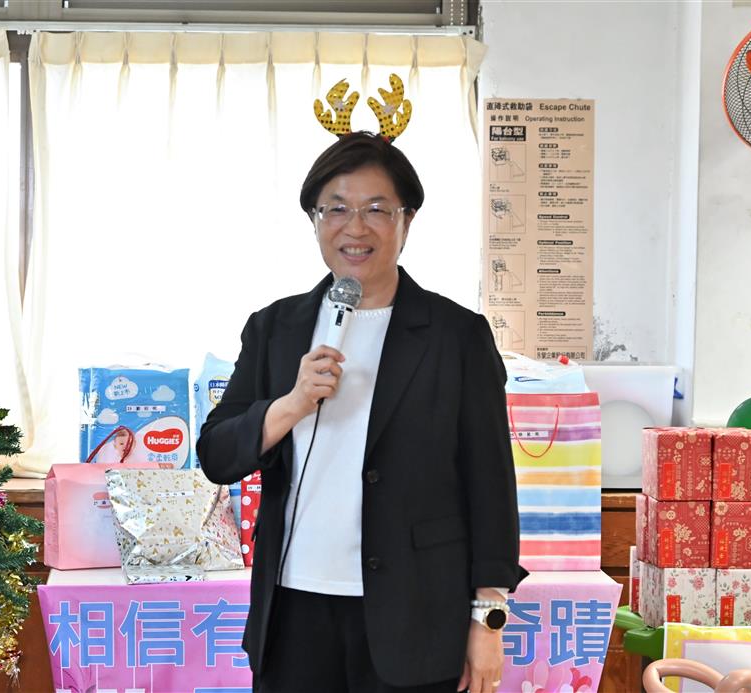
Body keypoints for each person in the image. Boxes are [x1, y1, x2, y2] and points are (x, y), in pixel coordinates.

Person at [198, 129, 526, 693]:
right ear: (314, 221)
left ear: (407, 221)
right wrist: (292, 404)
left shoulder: (456, 336)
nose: (355, 227)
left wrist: (488, 618)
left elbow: (491, 485)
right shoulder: (275, 328)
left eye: (376, 209)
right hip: (293, 612)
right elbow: (217, 454)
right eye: (336, 209)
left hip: (416, 616)